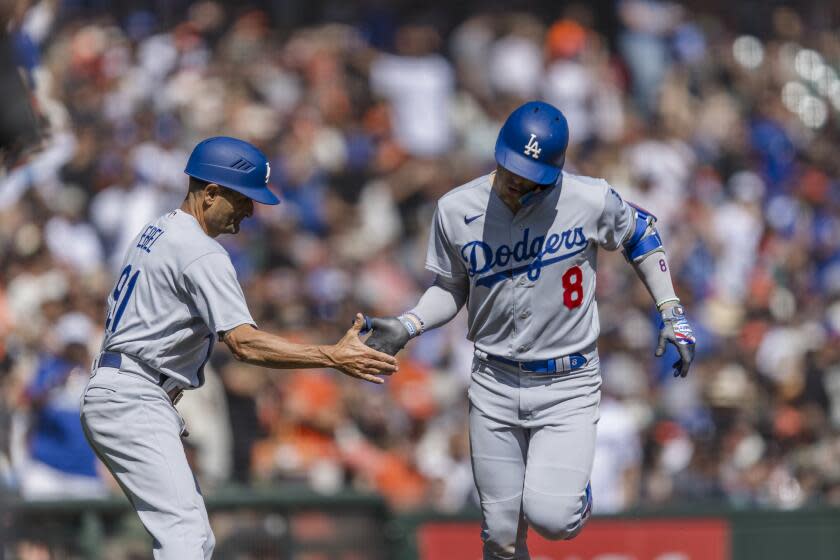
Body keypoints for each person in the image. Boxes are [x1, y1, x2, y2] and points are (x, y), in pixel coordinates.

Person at [363, 101, 695, 559]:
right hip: (494, 379)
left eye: (529, 177)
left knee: (552, 519)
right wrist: (409, 323)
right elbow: (449, 288)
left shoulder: (588, 198)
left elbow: (642, 232)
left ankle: (570, 492)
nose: (515, 183)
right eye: (510, 170)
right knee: (500, 534)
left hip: (568, 382)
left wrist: (671, 310)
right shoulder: (457, 209)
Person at [80, 136, 397, 560]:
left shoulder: (157, 228)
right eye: (243, 199)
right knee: (185, 538)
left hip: (124, 386)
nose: (250, 211)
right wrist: (330, 356)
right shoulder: (200, 250)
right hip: (133, 393)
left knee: (196, 538)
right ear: (210, 193)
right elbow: (243, 343)